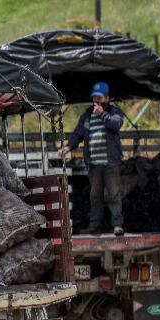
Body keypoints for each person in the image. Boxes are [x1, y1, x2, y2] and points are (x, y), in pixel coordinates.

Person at [58, 81, 127, 236]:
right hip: (94, 164)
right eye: (94, 98)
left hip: (111, 162)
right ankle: (95, 227)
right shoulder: (87, 115)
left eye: (99, 98)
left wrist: (102, 114)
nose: (96, 101)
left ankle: (117, 225)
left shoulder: (114, 111)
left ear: (107, 98)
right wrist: (68, 147)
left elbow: (116, 124)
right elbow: (78, 133)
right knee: (95, 196)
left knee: (114, 193)